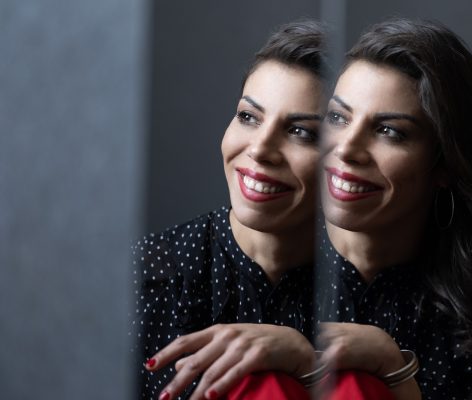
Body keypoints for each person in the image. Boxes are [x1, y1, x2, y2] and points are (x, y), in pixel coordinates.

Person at [316, 18, 472, 399]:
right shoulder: (251, 259)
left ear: (445, 165)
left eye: (389, 131)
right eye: (338, 117)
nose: (347, 148)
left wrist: (393, 369)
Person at [131, 21, 327, 400]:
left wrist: (310, 361)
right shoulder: (147, 277)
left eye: (300, 132)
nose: (260, 149)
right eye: (248, 117)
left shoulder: (371, 288)